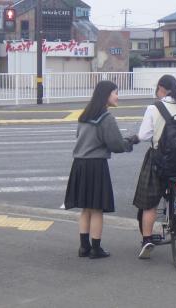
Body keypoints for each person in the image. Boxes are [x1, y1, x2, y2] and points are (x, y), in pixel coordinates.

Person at [63, 80, 135, 259]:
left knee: (85, 209)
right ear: (106, 95)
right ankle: (96, 249)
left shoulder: (84, 115)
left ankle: (83, 247)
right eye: (115, 92)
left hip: (79, 164)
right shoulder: (106, 117)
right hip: (95, 165)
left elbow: (81, 137)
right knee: (97, 209)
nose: (118, 96)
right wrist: (130, 142)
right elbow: (116, 144)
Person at [130, 75, 176, 260]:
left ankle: (147, 240)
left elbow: (144, 135)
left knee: (150, 203)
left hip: (158, 160)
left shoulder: (154, 108)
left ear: (161, 88)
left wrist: (132, 139)